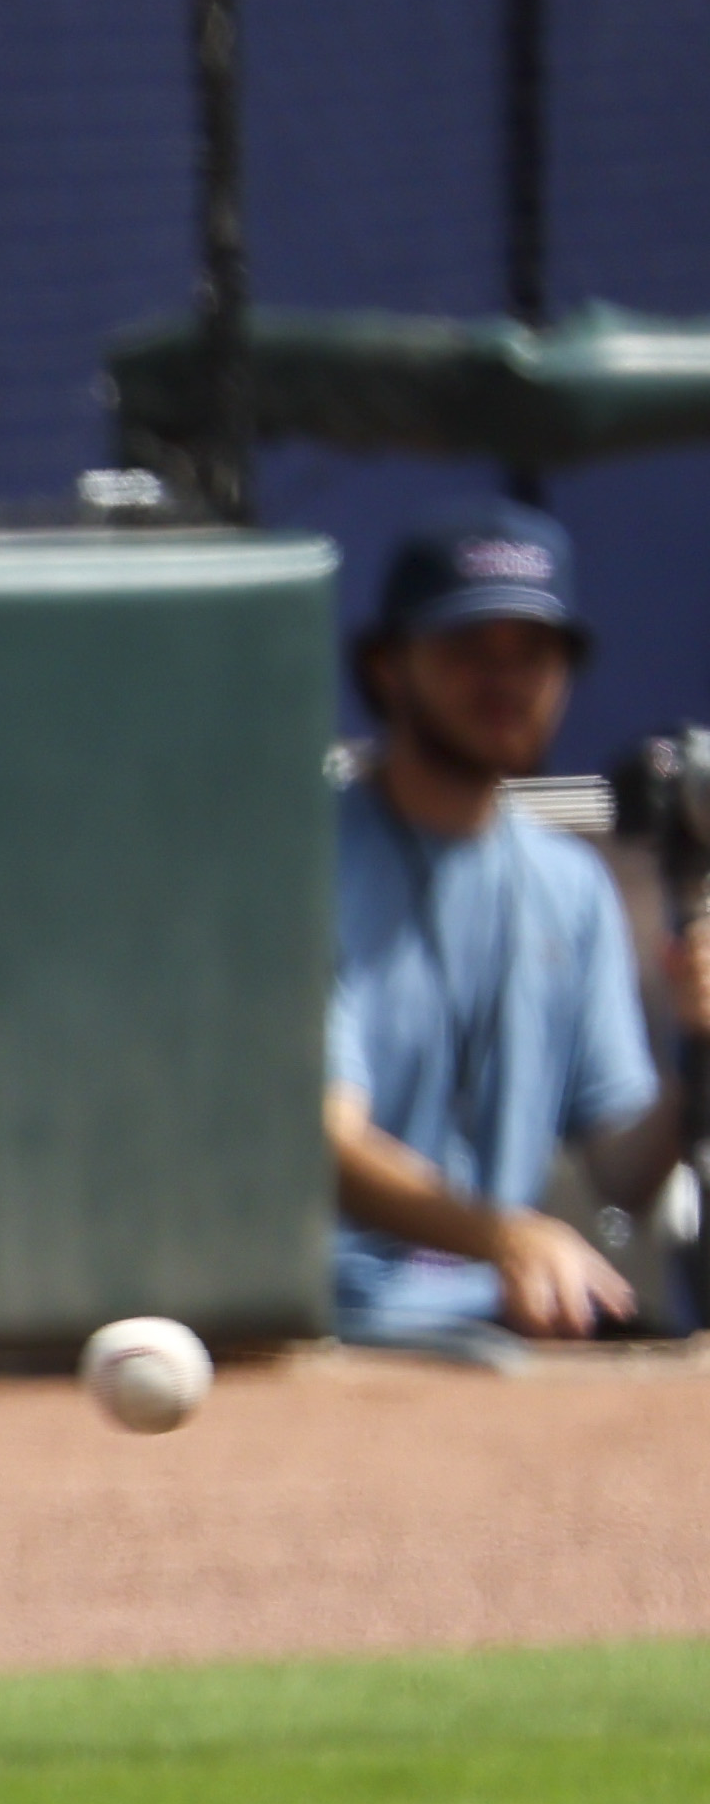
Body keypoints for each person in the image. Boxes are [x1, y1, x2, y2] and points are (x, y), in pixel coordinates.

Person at [326, 505, 710, 1361]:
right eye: (468, 649)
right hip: (332, 1324)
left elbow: (624, 1169)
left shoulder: (571, 883)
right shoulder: (308, 862)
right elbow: (329, 1144)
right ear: (389, 667)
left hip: (513, 1323)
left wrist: (700, 1048)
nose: (505, 680)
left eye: (532, 653)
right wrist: (505, 1237)